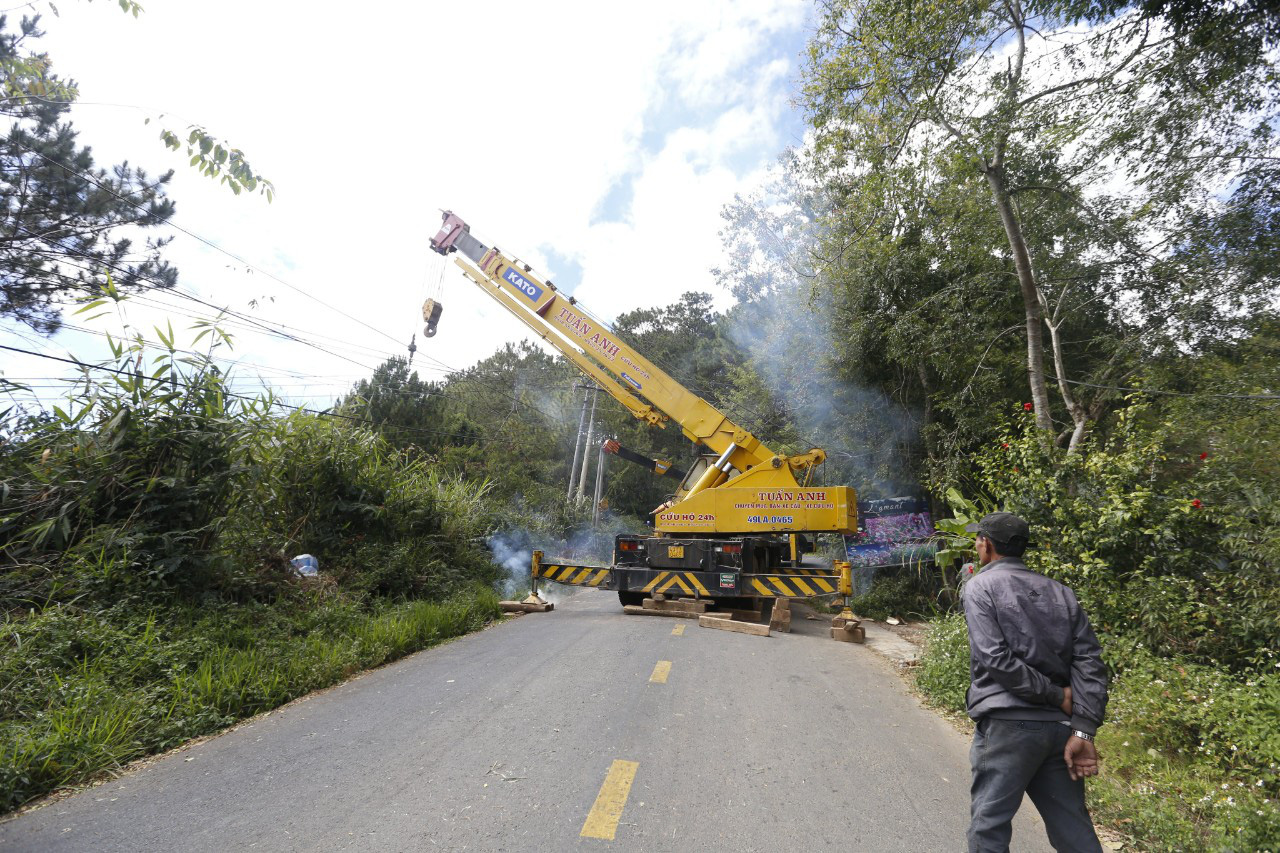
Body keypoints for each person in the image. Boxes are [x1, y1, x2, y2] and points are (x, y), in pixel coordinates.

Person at [962, 512, 1109, 852]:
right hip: (1061, 731)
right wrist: (1083, 729)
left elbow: (996, 659)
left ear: (986, 545)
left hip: (1008, 728)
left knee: (989, 828)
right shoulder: (1061, 592)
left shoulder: (980, 586)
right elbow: (1090, 662)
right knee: (1074, 830)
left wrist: (1056, 695)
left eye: (977, 539)